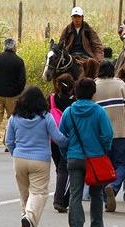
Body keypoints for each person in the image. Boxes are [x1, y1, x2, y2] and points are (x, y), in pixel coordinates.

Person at [6, 86, 68, 227]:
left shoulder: (14, 118)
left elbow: (8, 141)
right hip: (40, 160)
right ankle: (28, 217)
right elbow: (58, 138)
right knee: (39, 192)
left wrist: (16, 153)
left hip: (19, 158)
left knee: (24, 193)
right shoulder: (46, 117)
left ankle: (29, 224)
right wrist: (70, 142)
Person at [60, 79, 113, 227]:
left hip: (74, 157)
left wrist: (66, 153)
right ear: (93, 92)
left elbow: (62, 136)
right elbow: (107, 135)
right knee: (96, 194)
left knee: (75, 195)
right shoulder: (99, 111)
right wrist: (103, 151)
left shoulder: (69, 112)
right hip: (95, 158)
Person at [93, 61, 125, 212]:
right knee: (123, 164)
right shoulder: (121, 85)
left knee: (104, 166)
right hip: (122, 133)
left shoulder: (94, 86)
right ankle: (113, 186)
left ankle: (106, 198)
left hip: (100, 136)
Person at [0, 38, 26, 154]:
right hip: (13, 95)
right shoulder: (19, 61)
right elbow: (22, 80)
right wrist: (18, 92)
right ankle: (9, 143)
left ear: (4, 46)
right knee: (12, 119)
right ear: (14, 47)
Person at [49, 74, 76, 213]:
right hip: (69, 139)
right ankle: (60, 200)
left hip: (53, 139)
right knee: (65, 169)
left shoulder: (51, 99)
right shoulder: (74, 103)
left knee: (60, 168)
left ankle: (60, 198)